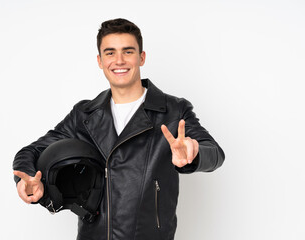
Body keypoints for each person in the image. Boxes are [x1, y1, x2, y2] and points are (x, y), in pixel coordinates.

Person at [13, 18, 225, 240]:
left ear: (141, 57)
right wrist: (27, 178)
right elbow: (31, 152)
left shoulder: (173, 111)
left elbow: (215, 153)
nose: (119, 60)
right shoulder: (84, 115)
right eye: (110, 52)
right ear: (100, 60)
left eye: (128, 51)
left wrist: (194, 153)